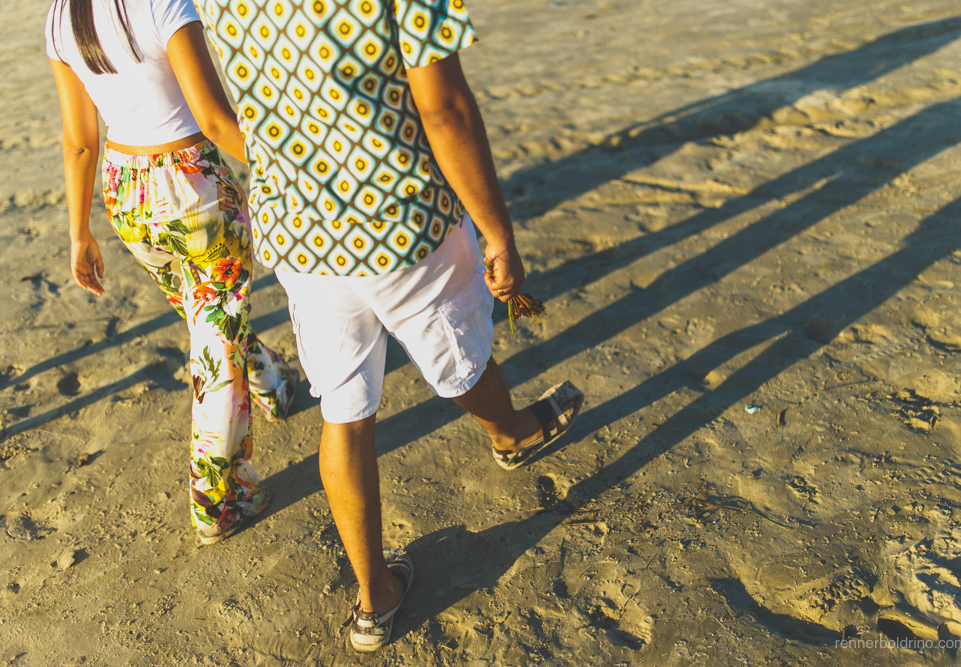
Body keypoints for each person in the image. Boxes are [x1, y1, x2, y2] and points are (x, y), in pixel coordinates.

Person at [193, 0, 585, 651]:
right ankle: (511, 432)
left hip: (298, 232)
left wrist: (295, 166)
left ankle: (374, 600)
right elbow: (445, 110)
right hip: (400, 222)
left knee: (343, 413)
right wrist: (499, 234)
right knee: (458, 357)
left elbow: (220, 108)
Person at [45, 0, 298, 545]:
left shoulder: (60, 15)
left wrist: (79, 233)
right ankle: (220, 502)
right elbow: (212, 118)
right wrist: (294, 170)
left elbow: (79, 142)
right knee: (214, 337)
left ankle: (271, 379)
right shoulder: (163, 2)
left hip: (126, 194)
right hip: (193, 187)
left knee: (210, 318)